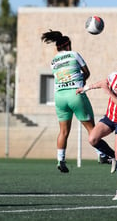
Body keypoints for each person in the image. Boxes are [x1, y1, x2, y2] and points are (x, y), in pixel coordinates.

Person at [41, 30, 107, 173]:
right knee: (91, 128)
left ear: (57, 48)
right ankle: (101, 155)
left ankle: (60, 160)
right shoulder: (74, 54)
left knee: (63, 131)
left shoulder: (53, 61)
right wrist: (82, 81)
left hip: (59, 97)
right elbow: (87, 72)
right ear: (68, 45)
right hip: (75, 94)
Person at [77, 60, 117, 200]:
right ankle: (112, 156)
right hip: (110, 118)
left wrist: (108, 92)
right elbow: (102, 83)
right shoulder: (114, 76)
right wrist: (85, 88)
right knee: (92, 139)